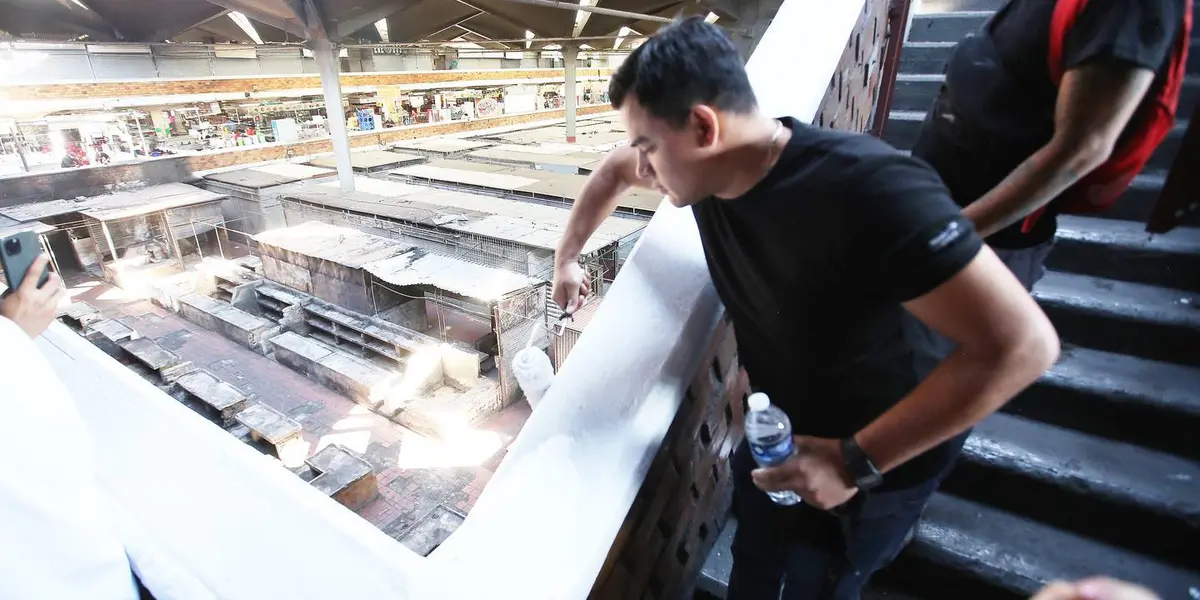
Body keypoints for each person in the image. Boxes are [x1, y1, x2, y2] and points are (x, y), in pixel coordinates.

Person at [551, 18, 1060, 600]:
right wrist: (568, 257)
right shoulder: (706, 170)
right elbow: (614, 170)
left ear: (702, 125)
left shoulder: (869, 188)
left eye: (648, 148)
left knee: (821, 586)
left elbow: (1024, 346)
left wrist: (854, 461)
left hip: (879, 461)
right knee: (755, 564)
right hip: (779, 432)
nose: (640, 167)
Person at [911, 0, 1190, 290]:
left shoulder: (1128, 9)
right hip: (937, 210)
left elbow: (1082, 150)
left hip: (979, 245)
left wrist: (950, 236)